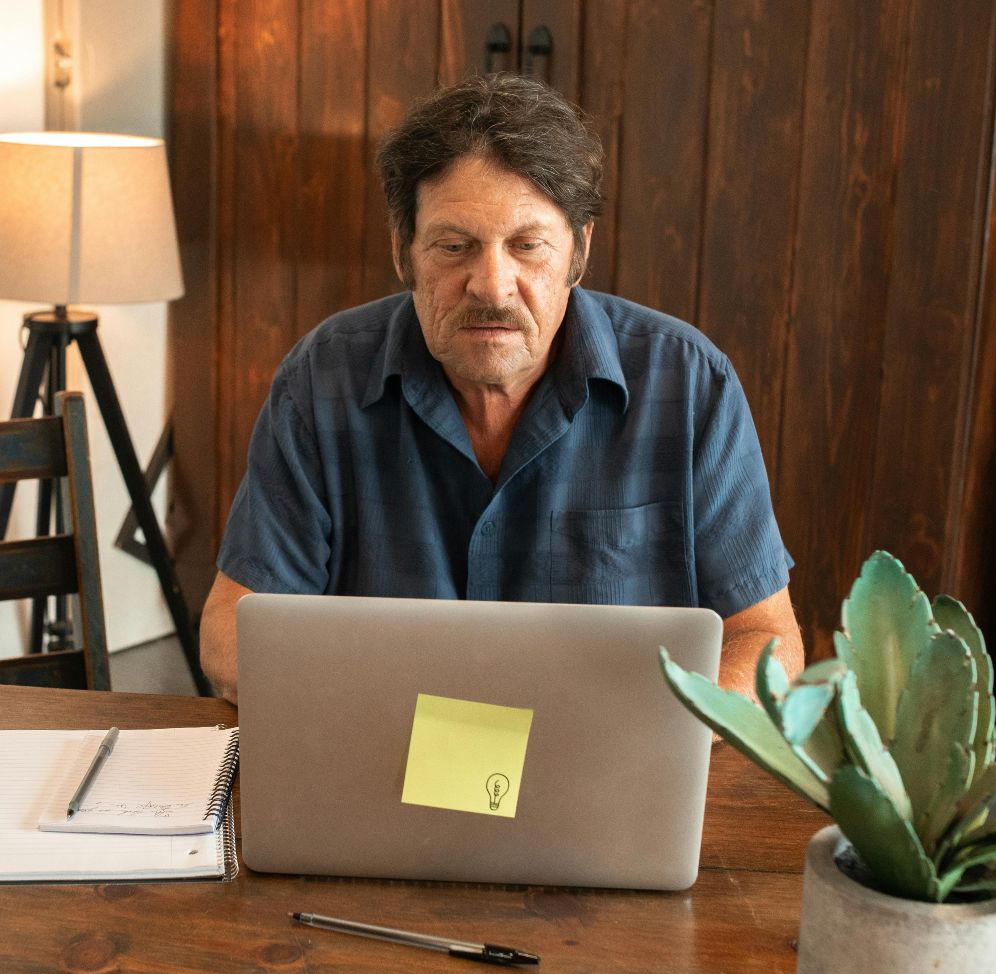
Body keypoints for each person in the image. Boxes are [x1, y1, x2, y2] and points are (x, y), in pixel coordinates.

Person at [200, 73, 804, 703]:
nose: (491, 285)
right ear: (403, 252)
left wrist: (646, 727)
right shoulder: (322, 379)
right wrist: (386, 708)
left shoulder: (689, 383)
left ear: (578, 252)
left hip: (606, 753)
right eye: (454, 246)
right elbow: (228, 636)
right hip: (389, 749)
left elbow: (768, 644)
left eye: (528, 245)